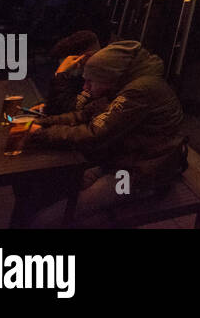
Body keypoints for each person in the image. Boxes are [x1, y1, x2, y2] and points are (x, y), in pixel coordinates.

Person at [16, 40, 187, 226]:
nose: (85, 88)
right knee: (51, 189)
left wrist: (40, 133)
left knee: (45, 220)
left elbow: (94, 134)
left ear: (108, 77)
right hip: (121, 163)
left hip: (141, 178)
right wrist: (38, 123)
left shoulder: (140, 91)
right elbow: (81, 115)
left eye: (90, 81)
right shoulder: (121, 85)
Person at [42, 29, 102, 115]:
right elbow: (62, 102)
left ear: (84, 57)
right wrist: (44, 107)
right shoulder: (80, 76)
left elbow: (62, 112)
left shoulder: (100, 80)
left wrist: (60, 74)